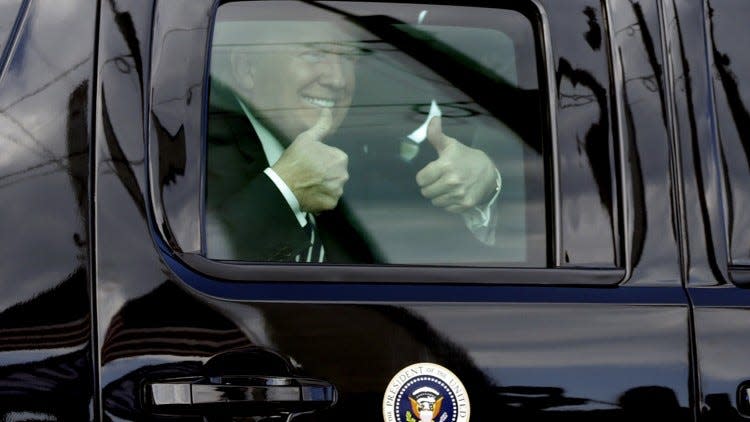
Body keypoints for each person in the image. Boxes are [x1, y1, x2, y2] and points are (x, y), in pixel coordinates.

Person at [205, 20, 504, 263]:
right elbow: (186, 268)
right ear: (247, 69)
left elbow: (434, 250)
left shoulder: (360, 155)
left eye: (348, 58)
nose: (337, 79)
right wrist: (285, 192)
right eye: (314, 54)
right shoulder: (197, 145)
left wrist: (484, 184)